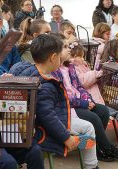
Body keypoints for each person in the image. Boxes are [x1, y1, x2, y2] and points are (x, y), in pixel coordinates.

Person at [9, 34, 100, 169]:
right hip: (43, 132)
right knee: (88, 131)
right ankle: (91, 166)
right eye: (59, 56)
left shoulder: (24, 70)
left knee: (86, 137)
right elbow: (47, 116)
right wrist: (66, 138)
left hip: (27, 127)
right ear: (53, 58)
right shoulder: (45, 85)